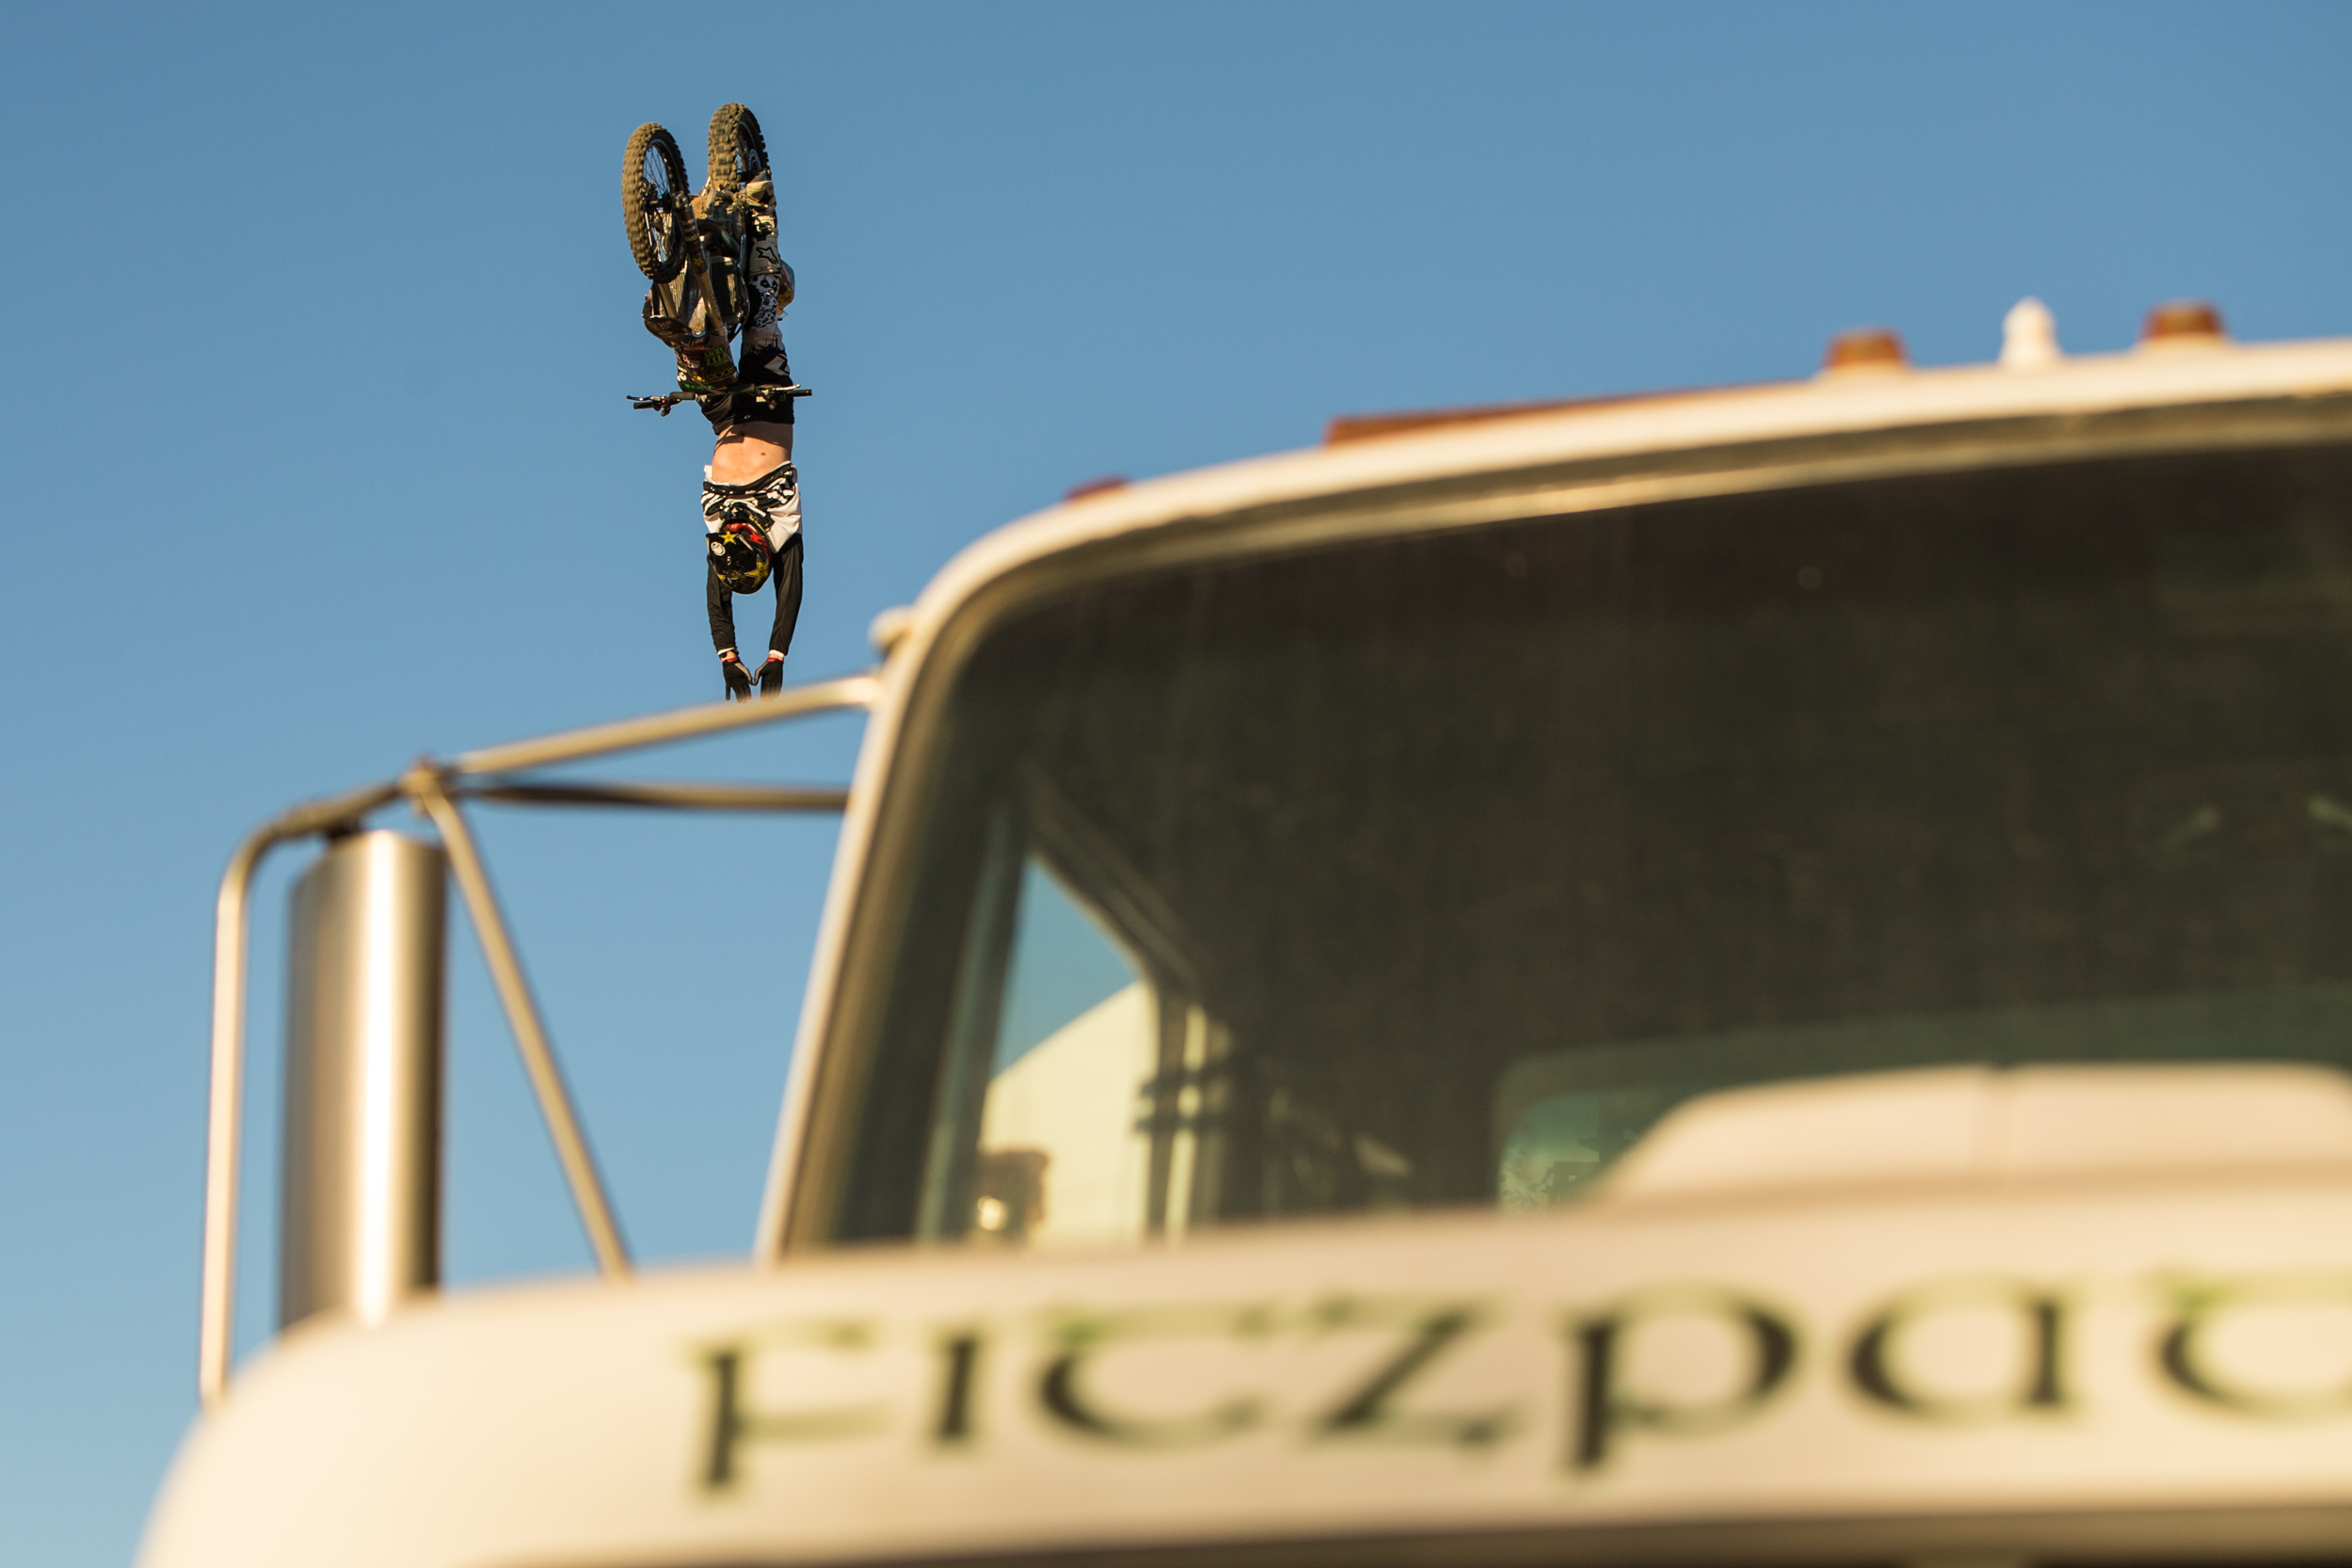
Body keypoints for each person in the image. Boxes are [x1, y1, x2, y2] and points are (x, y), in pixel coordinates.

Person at [641, 174, 804, 701]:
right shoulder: (767, 537)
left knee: (705, 341)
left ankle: (678, 245)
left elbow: (726, 601)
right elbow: (783, 594)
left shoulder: (735, 546)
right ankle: (756, 220)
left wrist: (736, 656)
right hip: (759, 402)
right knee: (758, 314)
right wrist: (769, 655)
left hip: (733, 413)